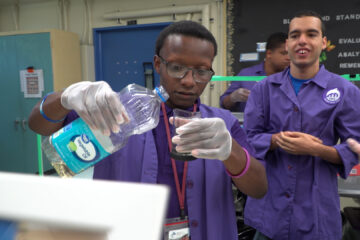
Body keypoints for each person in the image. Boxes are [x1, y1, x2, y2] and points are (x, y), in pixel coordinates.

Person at [28, 21, 268, 239]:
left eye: (201, 71)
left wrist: (230, 152)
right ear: (157, 64)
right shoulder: (117, 113)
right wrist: (65, 98)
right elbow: (37, 125)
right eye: (177, 67)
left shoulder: (222, 124)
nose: (188, 80)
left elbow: (258, 188)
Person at [243, 10, 360, 240]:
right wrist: (276, 140)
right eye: (295, 35)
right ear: (287, 44)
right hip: (269, 215)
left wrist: (317, 150)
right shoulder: (263, 90)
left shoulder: (345, 91)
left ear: (324, 43)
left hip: (317, 216)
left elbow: (354, 145)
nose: (302, 40)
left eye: (311, 34)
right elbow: (248, 139)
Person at [220, 32, 290, 112]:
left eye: (291, 54)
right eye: (284, 53)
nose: (289, 58)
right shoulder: (246, 75)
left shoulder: (294, 77)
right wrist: (233, 97)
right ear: (269, 53)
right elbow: (224, 104)